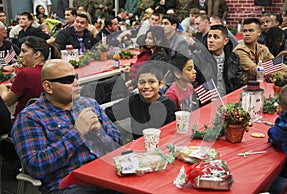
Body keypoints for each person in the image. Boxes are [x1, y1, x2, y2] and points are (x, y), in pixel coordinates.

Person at [11, 59, 122, 193]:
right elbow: (36, 167)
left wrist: (100, 131)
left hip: (106, 175)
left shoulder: (89, 104)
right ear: (48, 87)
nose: (77, 83)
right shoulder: (30, 117)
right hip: (70, 185)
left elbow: (118, 145)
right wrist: (77, 133)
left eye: (76, 77)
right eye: (68, 80)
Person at [105, 62, 177, 139]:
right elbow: (108, 113)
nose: (146, 86)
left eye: (151, 82)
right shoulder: (133, 101)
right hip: (139, 148)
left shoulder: (169, 105)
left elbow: (171, 133)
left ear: (161, 84)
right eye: (142, 82)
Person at [0, 36, 61, 117]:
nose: (20, 55)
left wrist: (2, 89)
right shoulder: (55, 71)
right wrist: (14, 87)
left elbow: (7, 101)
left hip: (24, 123)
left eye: (24, 51)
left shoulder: (24, 74)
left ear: (37, 54)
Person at [233, 18, 287, 82]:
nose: (247, 34)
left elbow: (275, 64)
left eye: (251, 30)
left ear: (259, 32)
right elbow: (256, 70)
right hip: (245, 86)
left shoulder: (263, 48)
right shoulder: (239, 50)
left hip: (261, 82)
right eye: (244, 31)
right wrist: (286, 75)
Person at [267, 83, 287, 193]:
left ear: (279, 107)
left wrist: (281, 118)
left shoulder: (281, 131)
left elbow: (271, 135)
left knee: (267, 183)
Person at [207, 24, 244, 96]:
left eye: (216, 37)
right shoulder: (201, 59)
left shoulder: (233, 58)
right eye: (209, 36)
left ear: (225, 41)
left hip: (229, 98)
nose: (210, 40)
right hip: (208, 101)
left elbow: (238, 83)